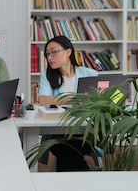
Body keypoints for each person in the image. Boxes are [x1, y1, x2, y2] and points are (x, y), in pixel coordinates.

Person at [38, 35, 98, 172]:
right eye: (47, 54)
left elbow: (100, 99)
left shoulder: (90, 74)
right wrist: (75, 99)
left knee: (70, 152)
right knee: (67, 148)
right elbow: (43, 100)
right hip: (58, 131)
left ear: (68, 52)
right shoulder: (47, 76)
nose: (49, 57)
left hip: (85, 130)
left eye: (53, 52)